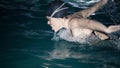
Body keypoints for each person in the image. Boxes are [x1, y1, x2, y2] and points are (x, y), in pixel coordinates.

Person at [46, 0, 120, 41]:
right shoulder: (74, 16)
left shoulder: (75, 22)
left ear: (58, 17)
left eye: (49, 19)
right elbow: (93, 9)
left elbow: (105, 29)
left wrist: (107, 30)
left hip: (107, 44)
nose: (48, 22)